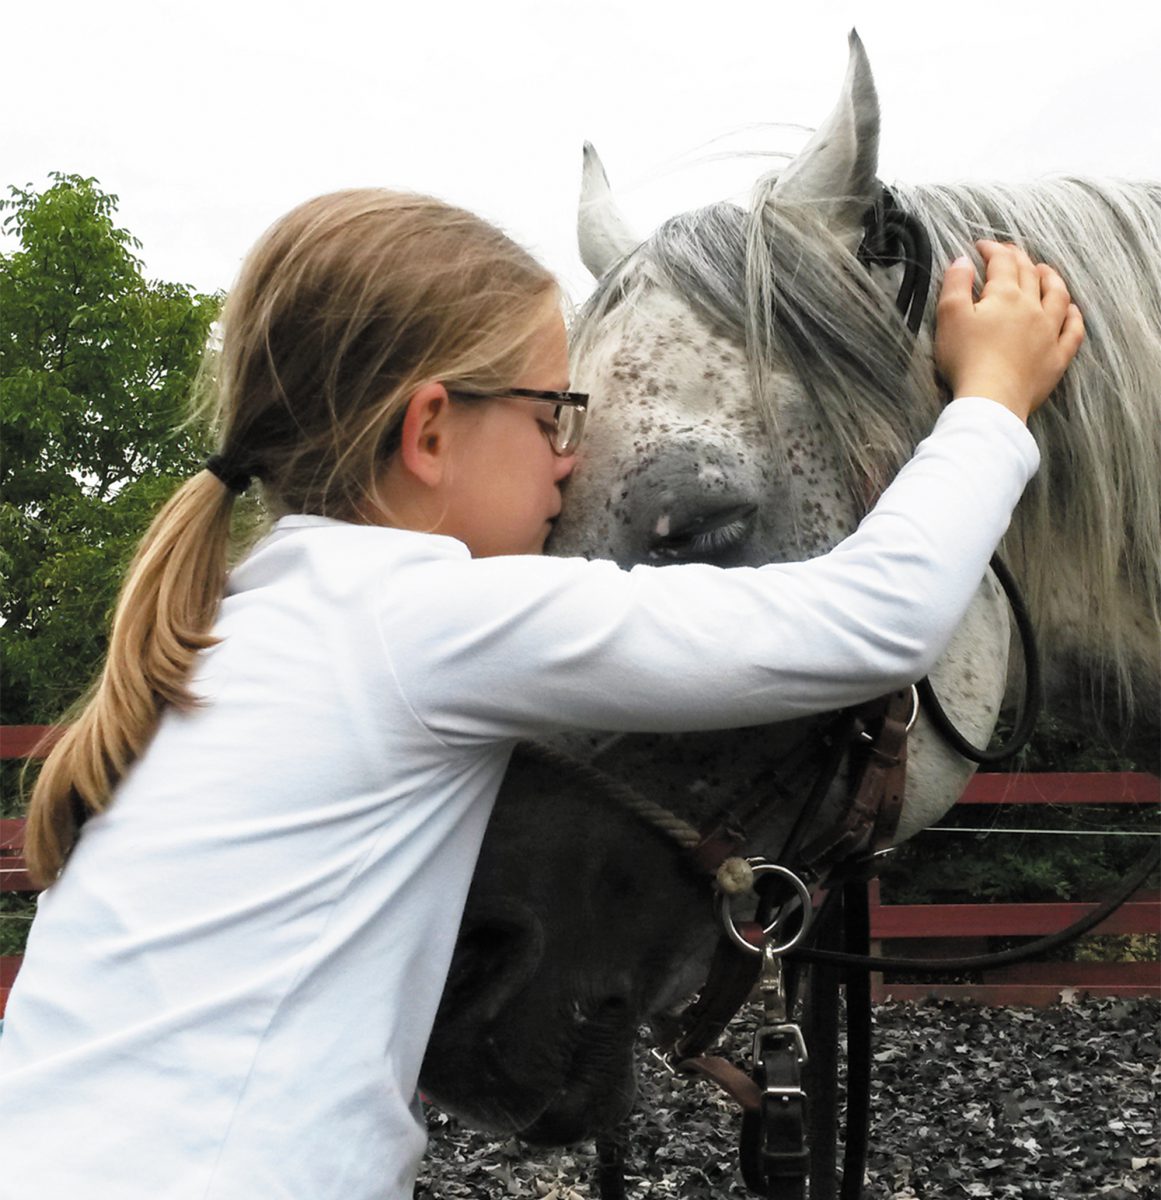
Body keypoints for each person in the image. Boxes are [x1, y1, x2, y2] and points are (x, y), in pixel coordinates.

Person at [0, 189, 1083, 1199]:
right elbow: (870, 623)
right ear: (429, 432)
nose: (573, 465)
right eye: (557, 417)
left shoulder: (234, 619)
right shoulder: (422, 618)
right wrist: (993, 400)